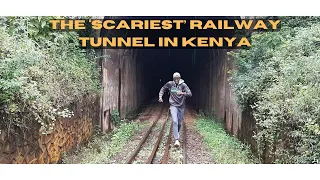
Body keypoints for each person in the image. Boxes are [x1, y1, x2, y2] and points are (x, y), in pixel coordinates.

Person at [158, 72, 192, 147]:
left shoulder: (183, 85)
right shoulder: (170, 84)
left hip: (181, 106)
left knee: (179, 123)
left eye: (178, 78)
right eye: (175, 78)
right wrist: (160, 97)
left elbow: (190, 94)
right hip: (173, 105)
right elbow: (163, 89)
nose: (176, 80)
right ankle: (176, 139)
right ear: (173, 79)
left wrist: (182, 93)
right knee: (175, 121)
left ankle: (177, 133)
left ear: (180, 78)